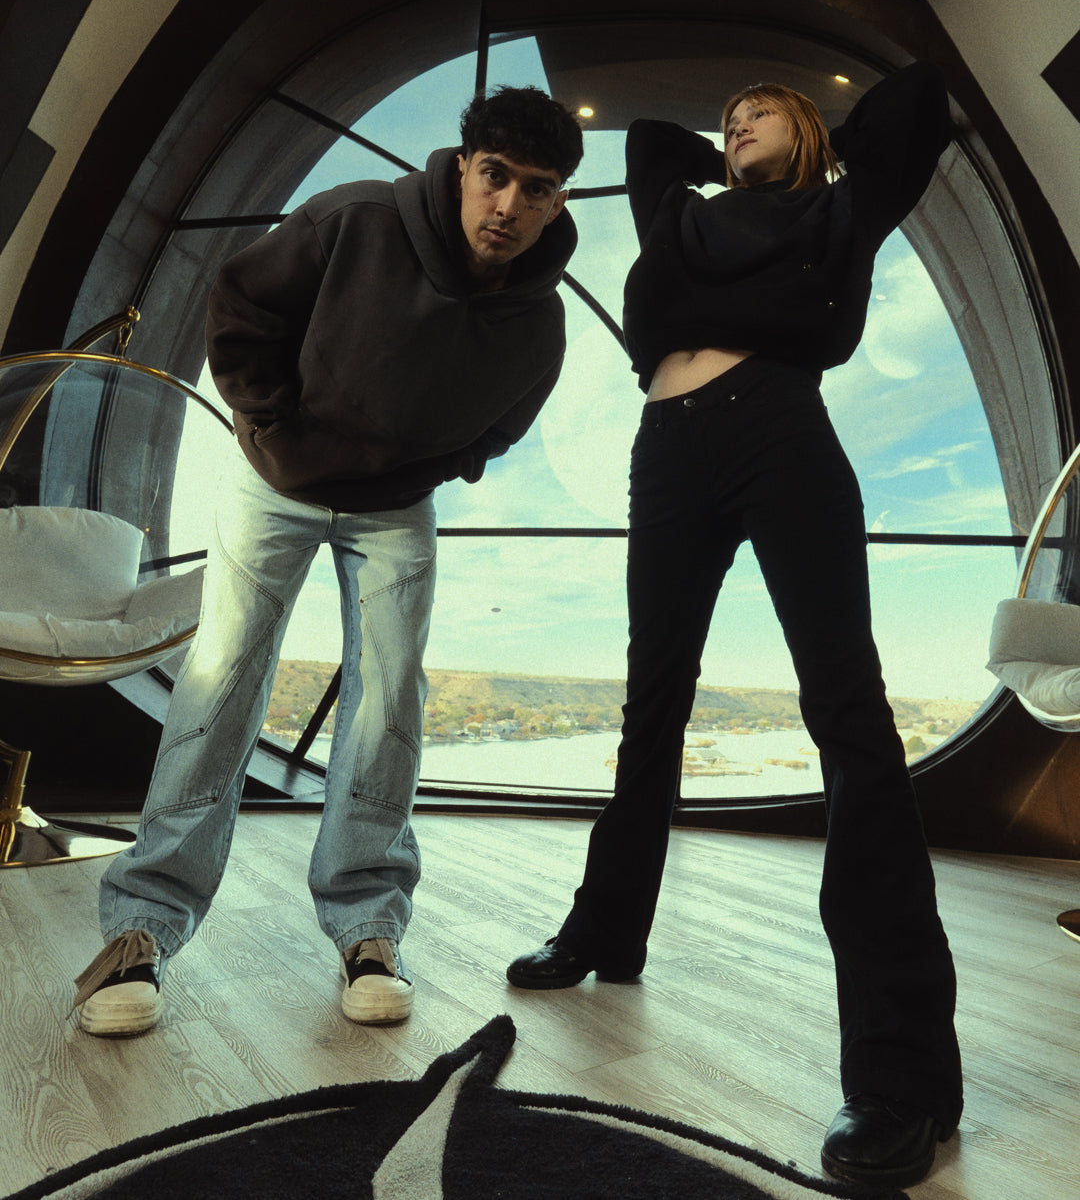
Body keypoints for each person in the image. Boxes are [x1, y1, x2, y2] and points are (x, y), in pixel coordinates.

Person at [506, 64, 962, 1190]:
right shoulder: (684, 212)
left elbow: (919, 100)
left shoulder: (840, 208)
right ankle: (606, 927)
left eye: (760, 111)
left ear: (807, 131)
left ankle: (904, 1076)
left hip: (777, 428)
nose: (736, 121)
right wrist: (734, 153)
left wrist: (811, 149)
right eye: (732, 115)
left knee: (847, 715)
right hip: (667, 445)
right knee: (649, 704)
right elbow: (652, 140)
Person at [73, 84, 583, 1037]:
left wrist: (427, 466)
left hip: (395, 508)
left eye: (537, 188)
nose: (509, 205)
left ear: (558, 203)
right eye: (496, 176)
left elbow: (501, 427)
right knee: (221, 684)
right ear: (463, 170)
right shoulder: (354, 218)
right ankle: (142, 926)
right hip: (275, 483)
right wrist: (274, 427)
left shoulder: (538, 321)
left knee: (390, 700)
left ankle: (368, 929)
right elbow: (240, 302)